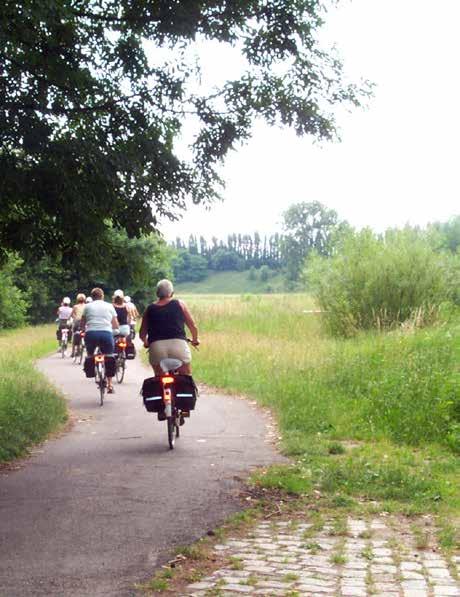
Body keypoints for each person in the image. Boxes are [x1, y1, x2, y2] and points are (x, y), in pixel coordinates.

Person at [139, 279, 199, 376]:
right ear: (172, 293)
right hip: (178, 346)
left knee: (159, 377)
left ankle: (161, 388)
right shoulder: (179, 304)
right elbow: (193, 326)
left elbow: (142, 333)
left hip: (157, 347)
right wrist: (195, 340)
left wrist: (146, 343)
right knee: (186, 375)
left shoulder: (149, 309)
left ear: (157, 293)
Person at [81, 288, 119, 393]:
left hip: (91, 334)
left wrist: (82, 329)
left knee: (90, 354)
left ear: (92, 297)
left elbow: (82, 323)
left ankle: (91, 369)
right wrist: (115, 330)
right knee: (109, 357)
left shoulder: (87, 306)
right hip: (106, 334)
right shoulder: (109, 306)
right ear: (102, 296)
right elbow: (115, 324)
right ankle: (110, 385)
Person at [70, 293, 86, 357]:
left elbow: (72, 314)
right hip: (85, 322)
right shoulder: (86, 306)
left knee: (74, 335)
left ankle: (73, 352)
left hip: (77, 322)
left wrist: (75, 318)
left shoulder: (75, 306)